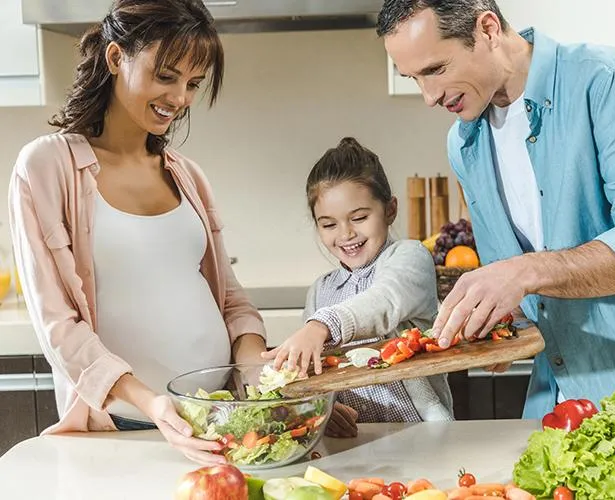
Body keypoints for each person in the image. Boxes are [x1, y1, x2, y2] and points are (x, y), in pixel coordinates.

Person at [376, 0, 615, 418]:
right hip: (557, 403)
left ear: (487, 29)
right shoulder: (465, 142)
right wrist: (501, 324)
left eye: (436, 70)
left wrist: (524, 272)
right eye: (413, 78)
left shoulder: (613, 84)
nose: (429, 97)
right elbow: (519, 285)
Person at [8, 0, 267, 464]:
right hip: (124, 430)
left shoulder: (187, 174)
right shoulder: (47, 167)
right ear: (114, 58)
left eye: (193, 84)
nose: (181, 98)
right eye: (166, 76)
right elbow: (58, 326)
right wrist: (152, 402)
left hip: (218, 422)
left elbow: (231, 300)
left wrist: (256, 371)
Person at [262, 137, 453, 436]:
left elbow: (383, 302)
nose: (346, 234)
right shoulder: (320, 291)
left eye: (360, 218)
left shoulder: (409, 258)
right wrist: (321, 406)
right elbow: (316, 373)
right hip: (353, 439)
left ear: (390, 210)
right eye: (328, 224)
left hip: (421, 434)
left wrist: (321, 326)